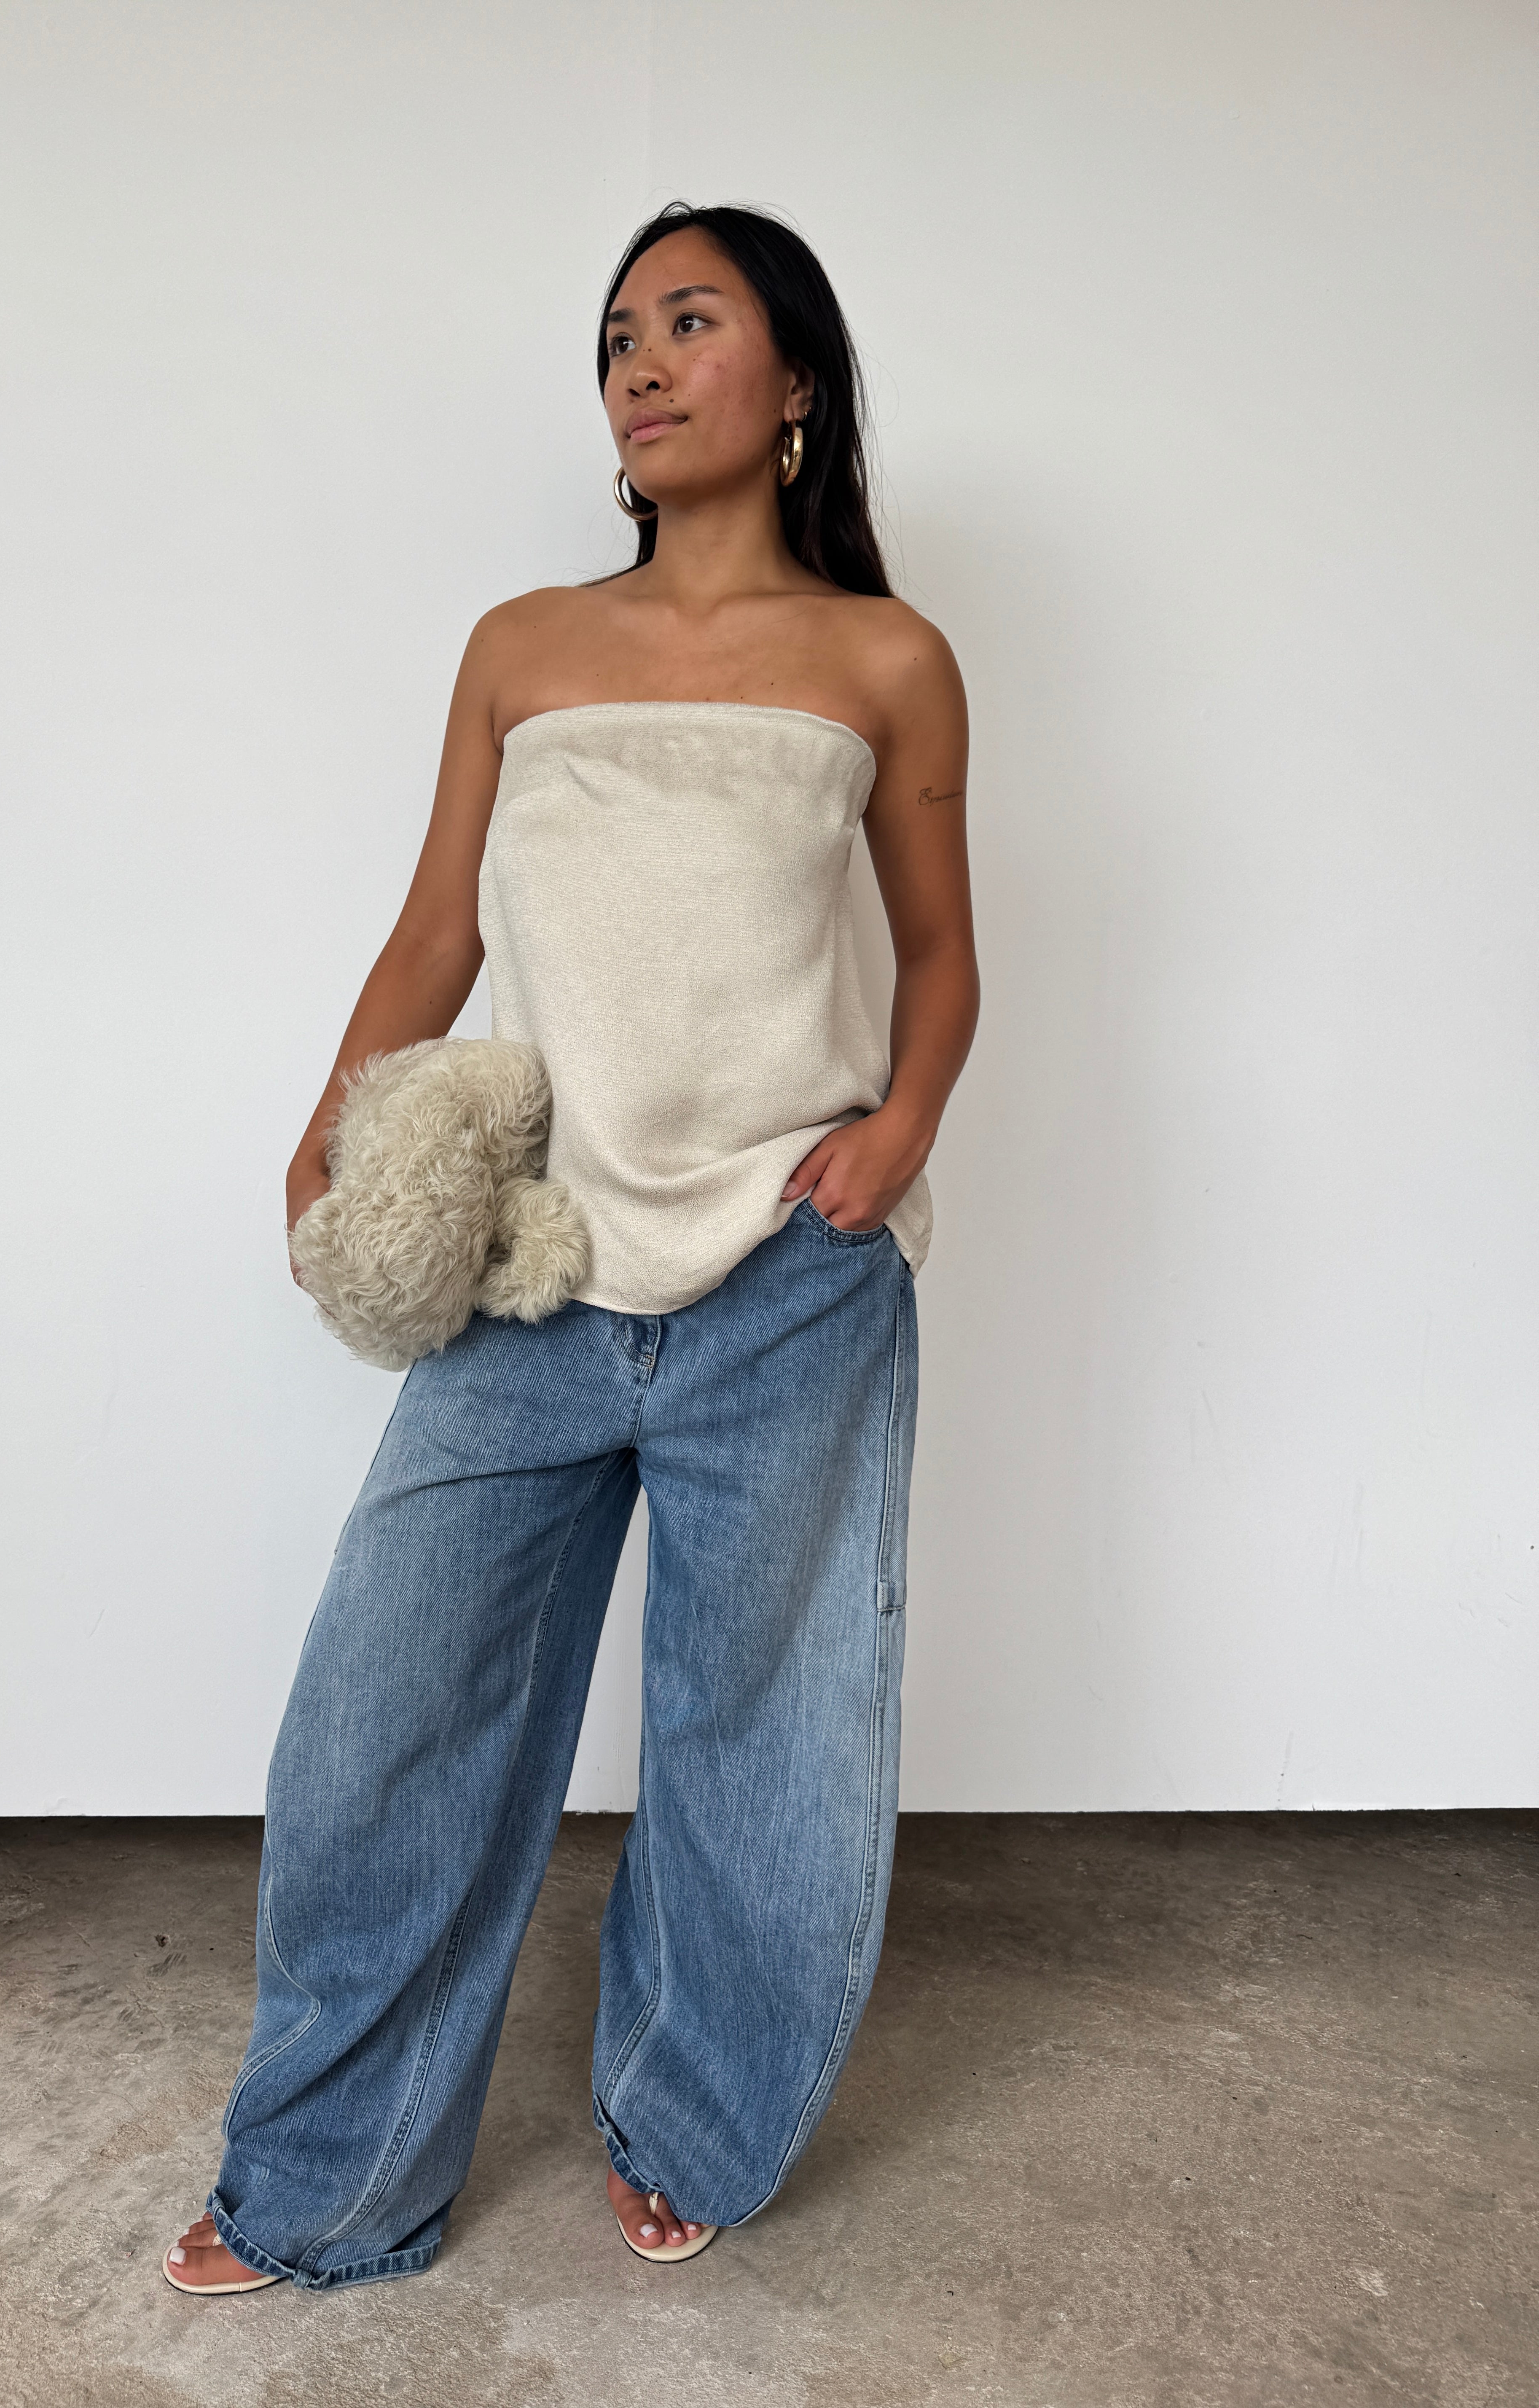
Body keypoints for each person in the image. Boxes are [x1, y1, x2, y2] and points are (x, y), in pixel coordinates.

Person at [163, 200, 978, 2296]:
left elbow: (944, 956)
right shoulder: (522, 648)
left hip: (790, 1283)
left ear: (796, 385)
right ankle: (328, 2184)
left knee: (759, 1748)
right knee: (383, 1730)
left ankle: (693, 2117)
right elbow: (437, 929)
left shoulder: (885, 662)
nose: (641, 362)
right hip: (532, 1261)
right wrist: (331, 1133)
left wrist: (898, 1134)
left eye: (690, 321)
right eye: (619, 334)